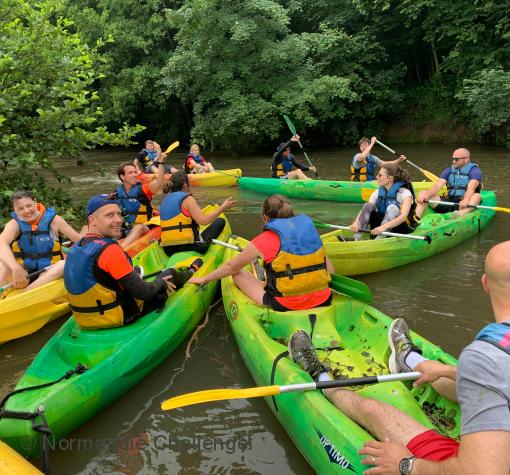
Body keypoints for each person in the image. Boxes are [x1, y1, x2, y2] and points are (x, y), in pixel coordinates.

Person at [288, 240, 510, 474]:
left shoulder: (486, 356)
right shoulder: (487, 362)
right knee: (462, 379)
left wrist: (406, 465)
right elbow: (496, 376)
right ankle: (410, 363)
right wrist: (446, 370)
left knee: (374, 410)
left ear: (485, 283)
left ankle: (324, 382)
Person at [64, 195, 202, 330]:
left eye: (119, 214)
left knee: (133, 274)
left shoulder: (76, 246)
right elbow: (144, 293)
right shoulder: (109, 250)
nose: (118, 220)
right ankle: (191, 271)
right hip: (119, 316)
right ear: (92, 220)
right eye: (110, 215)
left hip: (85, 319)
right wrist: (162, 283)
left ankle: (137, 274)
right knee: (169, 273)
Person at [189, 194, 335, 312]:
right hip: (324, 297)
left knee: (237, 273)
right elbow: (331, 270)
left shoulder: (263, 240)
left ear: (265, 217)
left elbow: (231, 267)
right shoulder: (311, 233)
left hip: (285, 304)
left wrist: (204, 279)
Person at [0, 191, 82, 292]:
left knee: (63, 265)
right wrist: (15, 268)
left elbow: (79, 240)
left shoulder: (54, 220)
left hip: (49, 272)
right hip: (24, 274)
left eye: (29, 205)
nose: (26, 211)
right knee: (3, 262)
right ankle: (2, 297)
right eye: (20, 208)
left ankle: (24, 294)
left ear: (35, 202)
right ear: (15, 210)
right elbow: (1, 243)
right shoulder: (14, 224)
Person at [159, 170, 234, 255]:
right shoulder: (188, 199)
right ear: (185, 185)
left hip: (168, 250)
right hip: (189, 246)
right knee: (220, 221)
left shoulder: (165, 200)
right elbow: (204, 221)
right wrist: (223, 206)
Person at [112, 143, 167, 248]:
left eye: (135, 172)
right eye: (130, 173)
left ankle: (121, 249)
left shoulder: (143, 189)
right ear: (122, 177)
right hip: (124, 228)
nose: (135, 174)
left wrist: (160, 162)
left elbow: (159, 182)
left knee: (138, 227)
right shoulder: (116, 193)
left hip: (143, 227)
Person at [349, 164, 417, 240]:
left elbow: (403, 216)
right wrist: (356, 222)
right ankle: (356, 238)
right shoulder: (377, 192)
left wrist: (383, 227)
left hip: (399, 229)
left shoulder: (405, 193)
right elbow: (365, 210)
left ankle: (378, 241)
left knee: (392, 208)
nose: (377, 177)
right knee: (368, 205)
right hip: (379, 228)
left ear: (390, 178)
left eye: (380, 175)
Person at [415, 147, 482, 219]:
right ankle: (416, 219)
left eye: (456, 159)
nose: (453, 161)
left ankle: (461, 213)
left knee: (477, 196)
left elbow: (471, 188)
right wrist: (426, 196)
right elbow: (438, 185)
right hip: (449, 201)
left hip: (464, 204)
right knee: (423, 193)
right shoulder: (449, 170)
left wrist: (465, 200)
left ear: (465, 160)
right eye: (453, 159)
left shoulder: (475, 170)